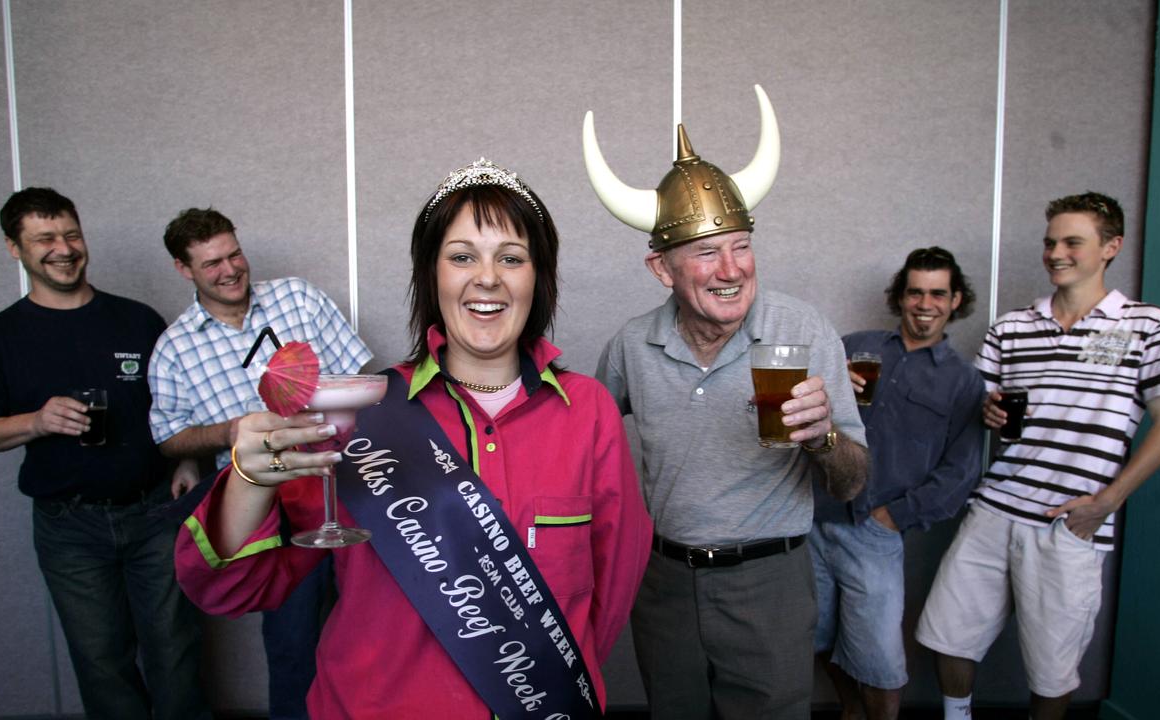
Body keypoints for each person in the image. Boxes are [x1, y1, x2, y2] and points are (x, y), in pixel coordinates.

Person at [175, 158, 652, 718]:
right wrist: (251, 479)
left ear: (537, 277)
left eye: (512, 258)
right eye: (462, 256)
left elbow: (612, 589)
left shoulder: (588, 412)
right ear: (431, 274)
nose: (488, 277)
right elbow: (233, 589)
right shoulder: (363, 413)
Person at [584, 85, 869, 719]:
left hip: (770, 583)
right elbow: (584, 447)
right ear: (662, 269)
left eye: (741, 245)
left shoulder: (805, 331)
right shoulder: (631, 346)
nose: (730, 268)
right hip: (664, 584)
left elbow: (851, 484)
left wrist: (822, 435)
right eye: (707, 252)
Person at [915, 193, 1160, 720]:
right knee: (948, 635)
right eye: (1050, 242)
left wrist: (1106, 502)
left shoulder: (1149, 324)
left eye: (1072, 241)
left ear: (1110, 247)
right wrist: (991, 410)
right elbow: (981, 406)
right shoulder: (1011, 328)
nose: (1056, 253)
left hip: (1070, 522)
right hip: (996, 506)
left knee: (1053, 666)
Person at [0, 187, 210, 719]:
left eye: (70, 234)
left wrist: (184, 460)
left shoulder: (137, 320)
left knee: (176, 649)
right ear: (14, 248)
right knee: (101, 659)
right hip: (70, 528)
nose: (62, 248)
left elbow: (176, 407)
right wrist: (35, 421)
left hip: (155, 511)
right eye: (44, 238)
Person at [148, 206, 372, 720]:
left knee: (368, 624)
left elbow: (360, 376)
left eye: (234, 254)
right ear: (184, 269)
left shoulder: (298, 297)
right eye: (211, 264)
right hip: (272, 513)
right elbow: (167, 438)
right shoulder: (175, 349)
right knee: (293, 643)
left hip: (346, 491)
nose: (229, 270)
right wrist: (228, 433)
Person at [813, 247, 985, 720]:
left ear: (955, 301)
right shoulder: (852, 346)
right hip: (814, 518)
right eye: (915, 292)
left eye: (936, 293)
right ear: (900, 297)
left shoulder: (963, 380)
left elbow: (961, 472)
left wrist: (894, 519)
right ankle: (850, 712)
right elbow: (799, 409)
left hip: (875, 531)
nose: (924, 303)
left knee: (882, 662)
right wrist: (827, 388)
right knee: (815, 638)